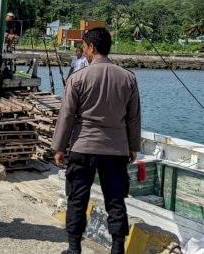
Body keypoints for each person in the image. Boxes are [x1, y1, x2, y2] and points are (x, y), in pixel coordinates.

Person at [50, 27, 141, 254]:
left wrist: (59, 147)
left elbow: (67, 114)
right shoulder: (128, 78)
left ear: (91, 48)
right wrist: (133, 147)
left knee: (77, 199)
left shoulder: (78, 78)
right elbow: (133, 117)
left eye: (85, 47)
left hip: (83, 146)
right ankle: (117, 248)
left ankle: (74, 248)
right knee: (116, 200)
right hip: (116, 148)